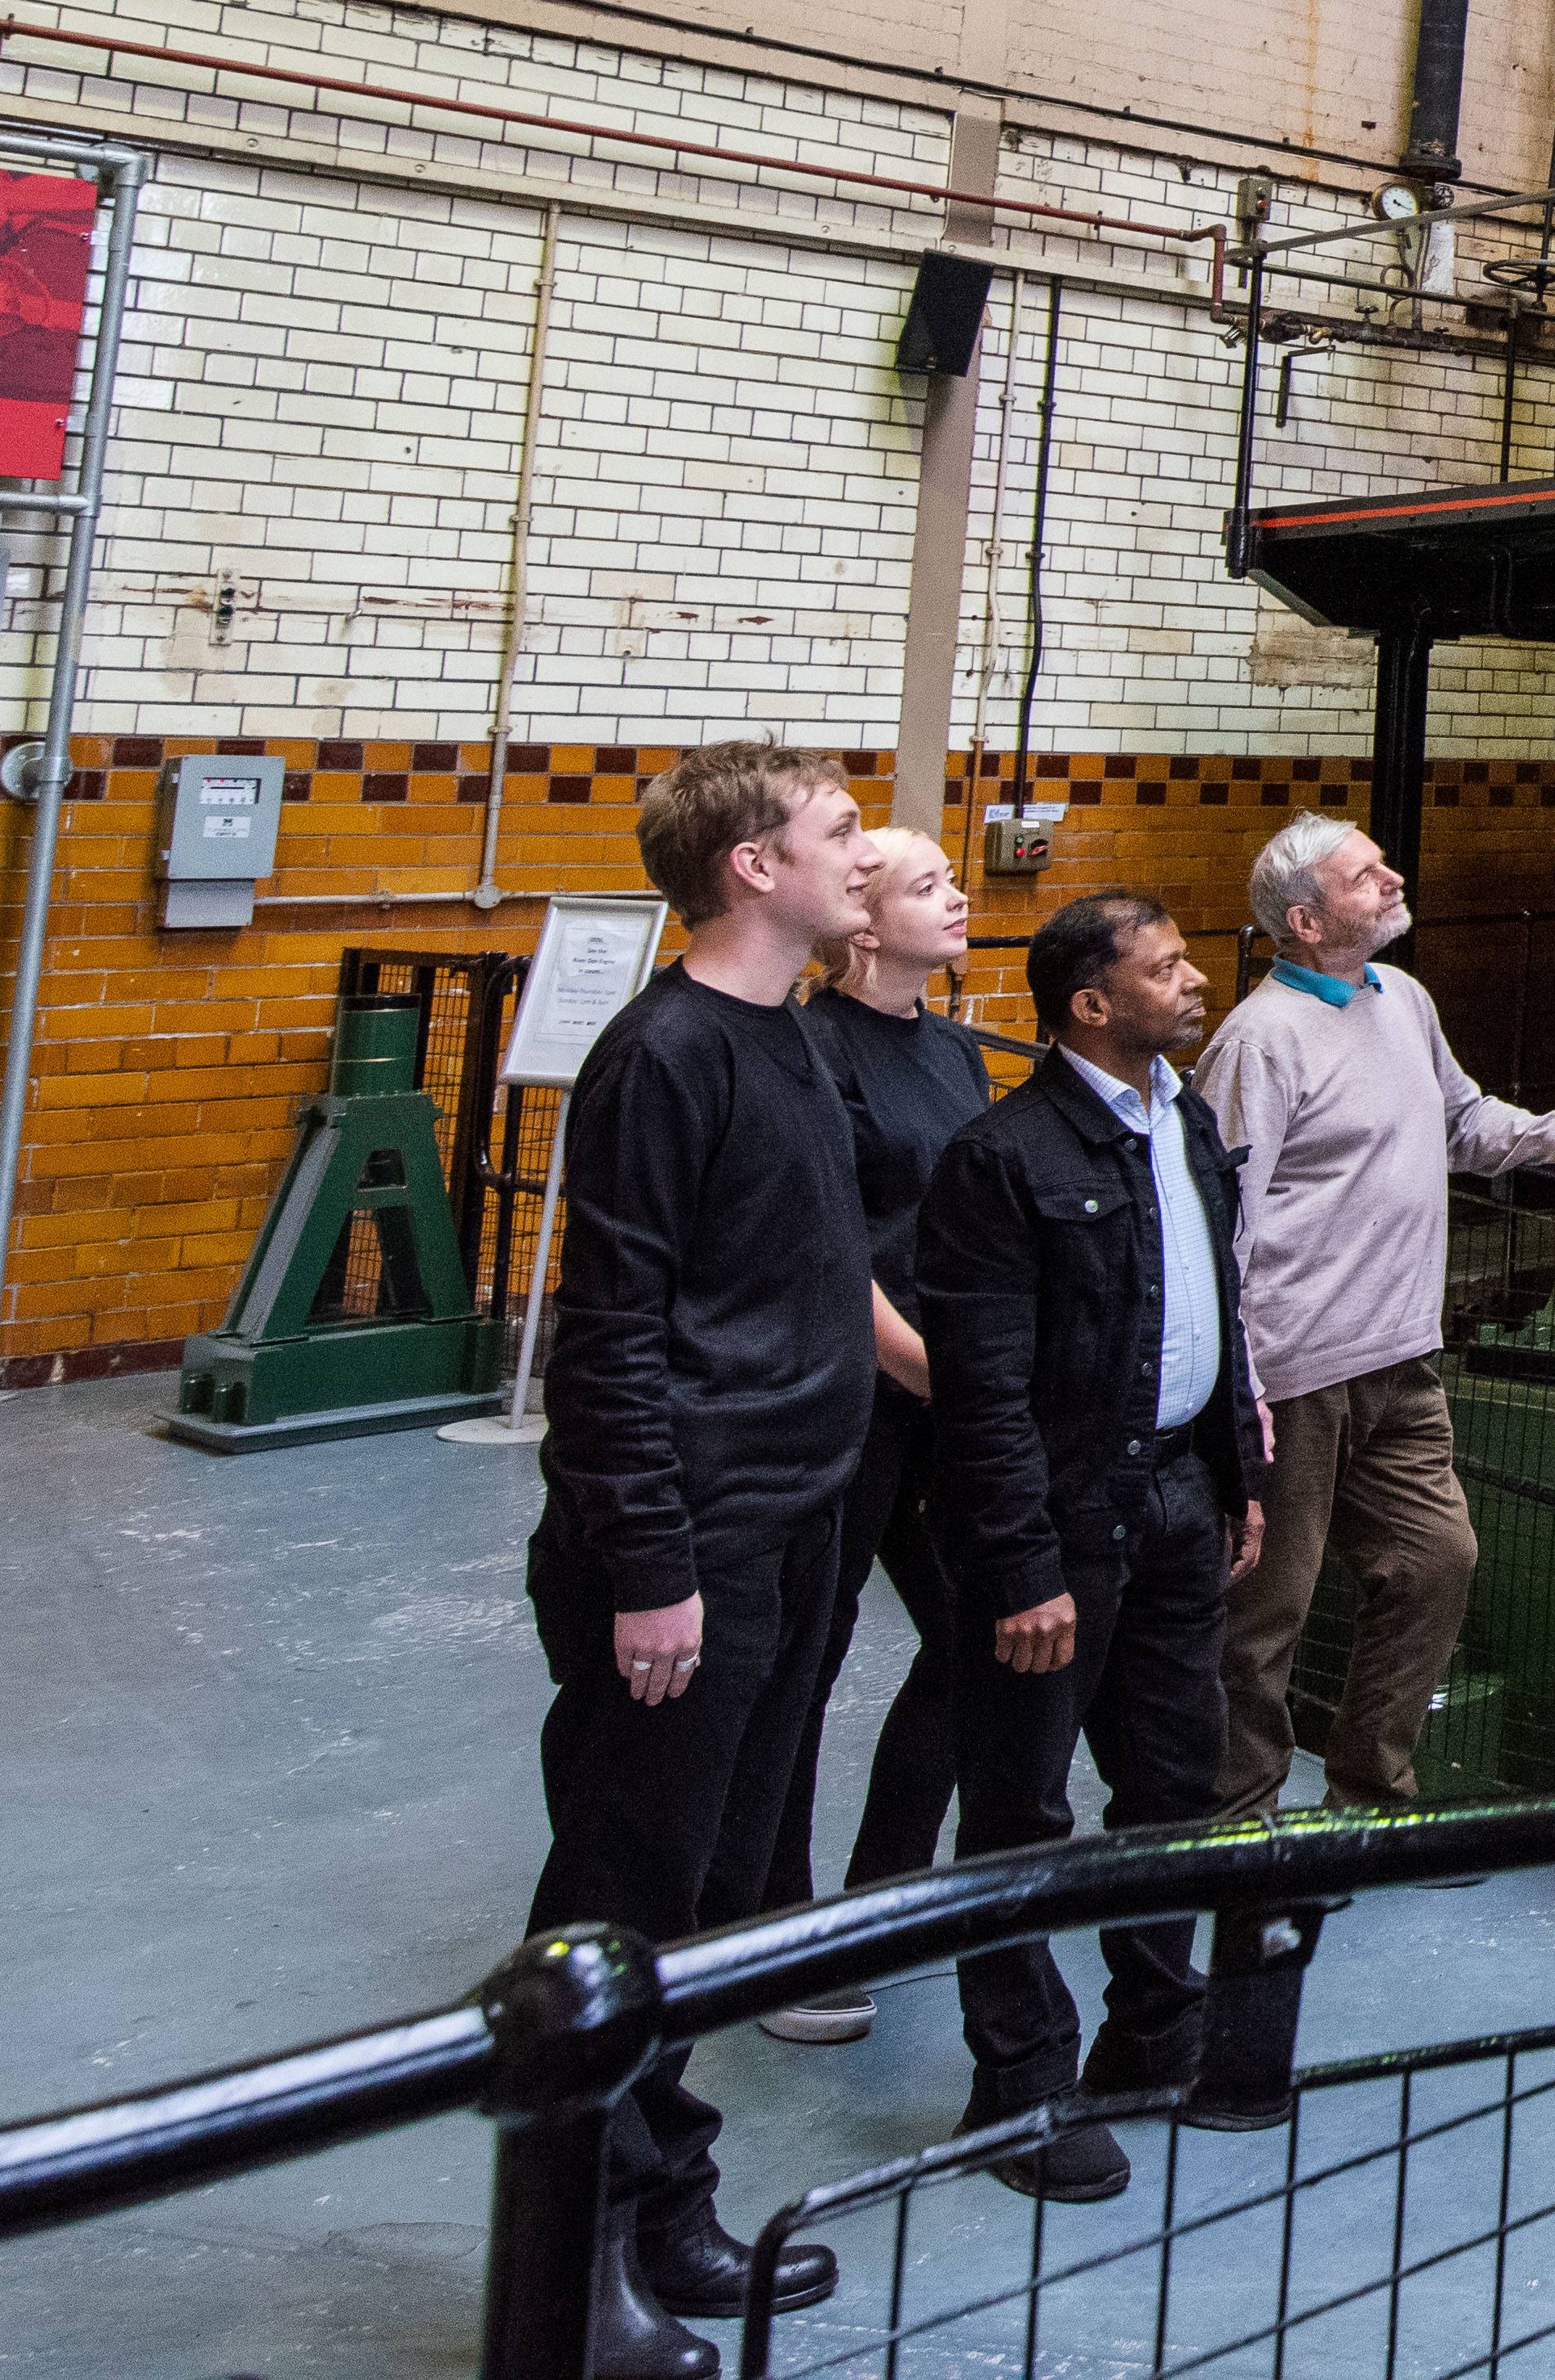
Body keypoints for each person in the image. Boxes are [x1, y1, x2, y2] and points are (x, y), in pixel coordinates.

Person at [519, 744, 874, 2373]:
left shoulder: (786, 1036)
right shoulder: (665, 1052)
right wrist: (650, 1562)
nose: (860, 853)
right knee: (623, 1894)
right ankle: (568, 2260)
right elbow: (608, 1334)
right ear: (751, 864)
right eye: (839, 830)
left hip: (789, 1520)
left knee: (718, 1886)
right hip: (689, 1547)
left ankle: (664, 2186)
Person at [916, 889, 1264, 2202]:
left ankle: (1151, 2037)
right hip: (1056, 1524)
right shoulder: (1002, 1157)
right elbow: (982, 1387)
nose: (1192, 980)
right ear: (1090, 1003)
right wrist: (1020, 1565)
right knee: (1018, 1811)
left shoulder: (1186, 1119)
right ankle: (1021, 2088)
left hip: (1178, 1502)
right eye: (1164, 966)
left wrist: (1235, 1473)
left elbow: (1210, 1306)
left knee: (1173, 1784)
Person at [1201, 818, 1555, 1826]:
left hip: (1401, 1359)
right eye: (1365, 874)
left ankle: (1370, 1797)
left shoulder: (1403, 999)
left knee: (1438, 1561)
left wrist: (1552, 1138)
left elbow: (1460, 1120)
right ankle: (1230, 1820)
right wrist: (1234, 1385)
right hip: (1293, 1374)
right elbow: (1218, 1224)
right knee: (1265, 1614)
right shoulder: (1257, 1043)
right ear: (1305, 921)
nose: (1392, 877)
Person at [749, 827, 1003, 2047]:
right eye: (927, 887)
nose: (957, 899)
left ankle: (885, 1889)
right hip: (858, 1392)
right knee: (804, 1653)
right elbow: (832, 1245)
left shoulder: (956, 1054)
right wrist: (927, 1371)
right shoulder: (810, 1053)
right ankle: (778, 1931)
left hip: (942, 1390)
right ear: (863, 923)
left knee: (976, 1634)